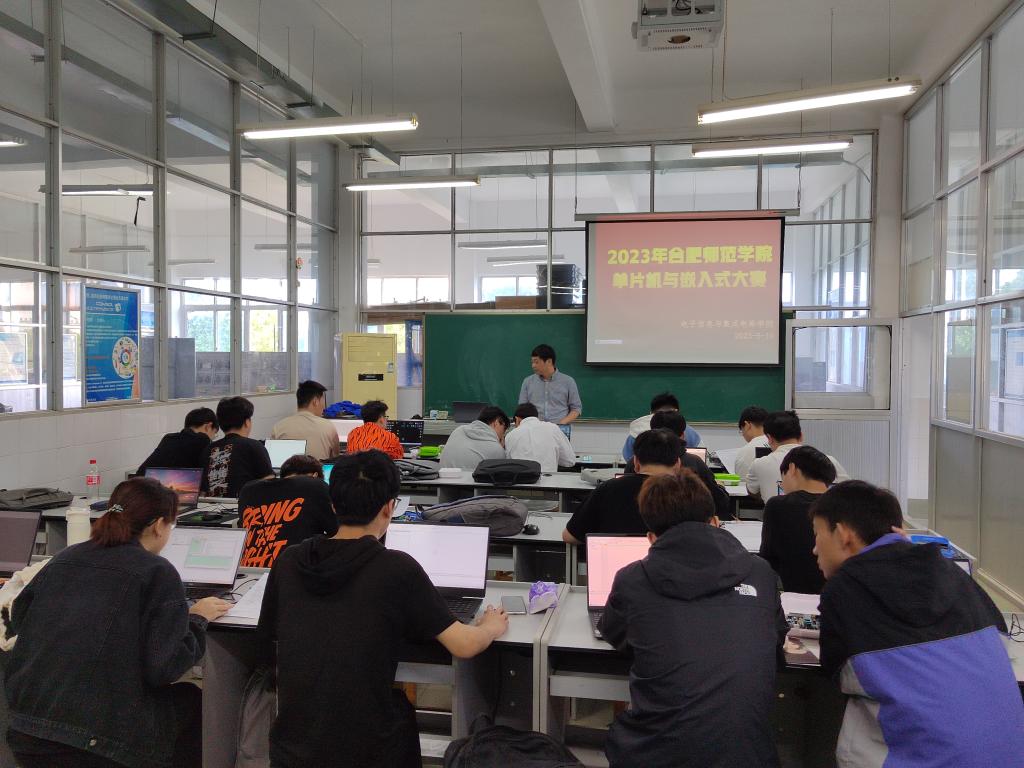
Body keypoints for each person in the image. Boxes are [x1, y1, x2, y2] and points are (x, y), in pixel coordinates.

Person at [256, 450, 509, 768]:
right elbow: (464, 644)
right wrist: (490, 625)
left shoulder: (290, 560)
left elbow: (270, 636)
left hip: (292, 749)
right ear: (389, 508)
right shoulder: (396, 568)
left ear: (333, 504)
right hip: (366, 752)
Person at [4, 477, 230, 768]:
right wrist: (197, 618)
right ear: (158, 525)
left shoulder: (63, 558)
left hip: (25, 729)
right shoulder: (157, 571)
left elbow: (20, 620)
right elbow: (164, 668)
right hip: (96, 743)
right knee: (191, 700)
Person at [811, 481, 1024, 767]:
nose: (814, 549)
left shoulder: (844, 588)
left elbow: (835, 672)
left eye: (817, 535)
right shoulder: (950, 570)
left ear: (843, 534)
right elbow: (1001, 640)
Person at [600, 472, 786, 768]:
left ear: (651, 538)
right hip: (749, 756)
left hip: (656, 755)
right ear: (715, 521)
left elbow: (614, 634)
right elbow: (775, 638)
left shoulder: (632, 579)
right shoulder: (761, 573)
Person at [563, 428, 680, 544]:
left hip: (613, 555)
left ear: (635, 462)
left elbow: (569, 536)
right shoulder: (685, 495)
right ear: (678, 464)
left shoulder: (608, 489)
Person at [237, 455, 338, 569]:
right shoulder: (315, 486)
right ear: (314, 475)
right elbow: (338, 532)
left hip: (247, 572)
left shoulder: (248, 490)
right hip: (293, 572)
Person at [758, 445, 834, 594]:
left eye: (783, 477)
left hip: (795, 595)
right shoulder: (844, 505)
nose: (783, 485)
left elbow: (768, 559)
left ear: (792, 468)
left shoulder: (778, 505)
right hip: (839, 593)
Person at [647, 410, 734, 521]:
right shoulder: (694, 462)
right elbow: (720, 501)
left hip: (644, 526)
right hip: (690, 524)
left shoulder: (638, 462)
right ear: (683, 435)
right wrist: (721, 487)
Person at [745, 410, 849, 501]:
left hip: (778, 516)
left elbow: (752, 491)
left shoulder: (759, 464)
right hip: (820, 516)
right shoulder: (830, 461)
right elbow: (848, 491)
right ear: (801, 436)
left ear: (769, 438)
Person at [203, 396, 274, 498]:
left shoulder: (208, 450)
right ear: (247, 422)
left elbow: (203, 490)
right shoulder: (254, 446)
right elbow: (269, 484)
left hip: (211, 506)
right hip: (244, 505)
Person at [517, 344, 581, 438]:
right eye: (532, 362)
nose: (533, 365)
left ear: (549, 361)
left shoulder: (568, 382)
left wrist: (561, 423)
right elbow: (522, 409)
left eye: (536, 362)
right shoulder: (528, 382)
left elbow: (576, 409)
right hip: (534, 430)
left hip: (559, 430)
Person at [270, 380, 340, 461]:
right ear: (315, 401)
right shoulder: (328, 426)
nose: (324, 407)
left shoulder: (278, 427)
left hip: (288, 469)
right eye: (323, 401)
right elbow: (335, 459)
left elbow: (273, 460)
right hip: (318, 469)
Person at [622, 392, 702, 462]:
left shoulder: (637, 431)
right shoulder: (689, 432)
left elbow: (628, 458)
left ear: (651, 413)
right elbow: (701, 456)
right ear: (677, 412)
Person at [136, 407, 218, 474]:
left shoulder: (169, 438)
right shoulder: (203, 440)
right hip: (164, 488)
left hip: (139, 484)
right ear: (208, 427)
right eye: (214, 433)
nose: (212, 438)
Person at [504, 402, 576, 472]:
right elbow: (570, 461)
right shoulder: (553, 428)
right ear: (536, 416)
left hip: (522, 479)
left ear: (517, 419)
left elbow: (509, 463)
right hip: (549, 479)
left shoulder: (510, 435)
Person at [438, 405, 509, 470]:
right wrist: (500, 448)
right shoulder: (496, 449)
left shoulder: (458, 430)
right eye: (504, 429)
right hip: (468, 480)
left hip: (440, 478)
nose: (503, 435)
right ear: (496, 423)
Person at [734, 405, 770, 481]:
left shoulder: (746, 451)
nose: (743, 434)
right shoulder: (778, 444)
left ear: (747, 425)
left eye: (741, 430)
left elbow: (742, 483)